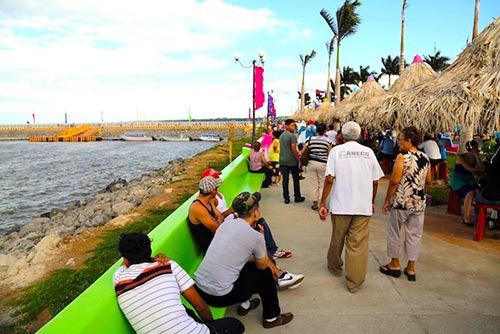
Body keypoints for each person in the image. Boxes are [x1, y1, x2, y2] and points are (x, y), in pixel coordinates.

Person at [195, 192, 295, 329]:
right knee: (265, 274)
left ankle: (245, 305)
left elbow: (234, 255)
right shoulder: (256, 236)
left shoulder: (224, 226)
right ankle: (272, 318)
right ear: (255, 213)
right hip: (219, 296)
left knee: (243, 266)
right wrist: (262, 237)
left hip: (201, 290)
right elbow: (262, 264)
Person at [113, 232, 245, 334]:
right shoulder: (167, 266)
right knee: (235, 325)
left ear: (125, 258)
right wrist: (211, 327)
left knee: (186, 310)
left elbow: (126, 263)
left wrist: (147, 258)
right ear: (149, 249)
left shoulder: (118, 278)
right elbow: (201, 306)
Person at [189, 172, 303, 289]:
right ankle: (278, 275)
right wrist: (230, 213)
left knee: (258, 234)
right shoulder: (198, 208)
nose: (218, 190)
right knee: (257, 246)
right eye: (217, 187)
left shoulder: (208, 202)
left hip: (222, 236)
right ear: (212, 191)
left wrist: (223, 218)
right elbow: (218, 229)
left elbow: (220, 219)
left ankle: (279, 275)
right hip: (216, 244)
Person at [319, 121, 384, 293]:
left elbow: (329, 179)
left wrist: (323, 202)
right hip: (362, 206)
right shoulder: (368, 152)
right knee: (357, 244)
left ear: (342, 135)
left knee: (337, 238)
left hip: (340, 205)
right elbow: (375, 180)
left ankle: (334, 266)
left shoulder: (336, 152)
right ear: (359, 135)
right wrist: (371, 200)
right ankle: (354, 282)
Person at [379, 127, 431, 282]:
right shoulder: (425, 158)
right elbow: (428, 180)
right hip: (418, 203)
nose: (398, 143)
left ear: (409, 141)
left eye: (400, 139)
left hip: (401, 201)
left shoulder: (403, 157)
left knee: (394, 232)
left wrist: (387, 200)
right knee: (414, 235)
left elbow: (395, 180)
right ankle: (411, 268)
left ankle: (394, 264)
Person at [449, 140, 484, 227]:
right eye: (475, 148)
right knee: (470, 193)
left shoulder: (475, 158)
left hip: (469, 179)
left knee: (478, 191)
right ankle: (466, 217)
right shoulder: (460, 157)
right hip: (458, 179)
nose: (477, 149)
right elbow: (471, 169)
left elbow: (480, 168)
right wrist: (481, 170)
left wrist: (477, 157)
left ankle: (479, 215)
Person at [302, 123, 332, 211]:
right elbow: (329, 154)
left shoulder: (310, 139)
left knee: (313, 185)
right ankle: (322, 204)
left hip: (311, 163)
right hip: (323, 164)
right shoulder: (327, 140)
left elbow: (303, 151)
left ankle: (315, 205)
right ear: (324, 131)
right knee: (322, 184)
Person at [279, 119, 305, 204]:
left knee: (285, 180)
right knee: (295, 179)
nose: (294, 127)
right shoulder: (292, 136)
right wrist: (298, 159)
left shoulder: (281, 135)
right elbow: (294, 149)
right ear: (287, 126)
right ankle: (297, 196)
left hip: (282, 160)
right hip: (292, 161)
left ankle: (286, 198)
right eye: (292, 125)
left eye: (294, 125)